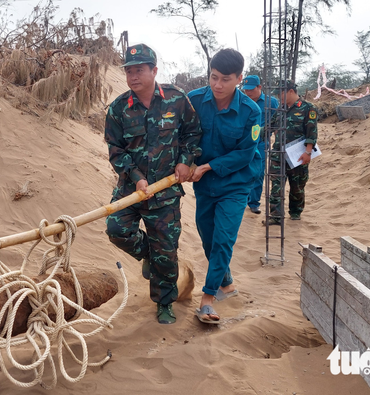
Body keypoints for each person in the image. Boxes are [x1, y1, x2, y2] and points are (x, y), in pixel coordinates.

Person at [104, 44, 202, 325]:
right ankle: (148, 254)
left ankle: (164, 302)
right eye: (129, 71)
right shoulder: (119, 109)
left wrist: (185, 160)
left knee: (167, 249)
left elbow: (193, 132)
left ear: (154, 70)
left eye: (139, 70)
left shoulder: (176, 99)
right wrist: (136, 177)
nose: (133, 76)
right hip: (131, 190)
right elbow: (115, 149)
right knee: (116, 229)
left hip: (166, 192)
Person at [186, 49, 262, 324]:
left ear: (239, 79)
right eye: (213, 77)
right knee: (207, 237)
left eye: (225, 80)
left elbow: (244, 153)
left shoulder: (251, 112)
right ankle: (226, 281)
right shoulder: (194, 101)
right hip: (205, 187)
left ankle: (208, 299)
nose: (217, 85)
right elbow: (184, 137)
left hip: (236, 183)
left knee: (222, 240)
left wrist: (207, 166)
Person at [267, 80, 319, 224]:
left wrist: (308, 152)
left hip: (297, 156)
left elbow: (311, 133)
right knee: (276, 186)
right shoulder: (280, 109)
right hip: (278, 154)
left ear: (290, 91)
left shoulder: (308, 108)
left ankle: (295, 212)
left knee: (297, 187)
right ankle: (276, 215)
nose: (279, 97)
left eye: (281, 94)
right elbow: (270, 126)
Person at [241, 74, 279, 214]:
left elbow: (277, 122)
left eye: (251, 89)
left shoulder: (272, 103)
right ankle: (242, 199)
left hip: (261, 143)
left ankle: (253, 202)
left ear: (259, 87)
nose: (248, 93)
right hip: (243, 142)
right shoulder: (242, 101)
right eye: (246, 90)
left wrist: (278, 142)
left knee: (258, 172)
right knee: (242, 170)